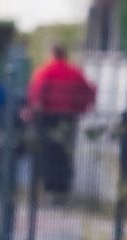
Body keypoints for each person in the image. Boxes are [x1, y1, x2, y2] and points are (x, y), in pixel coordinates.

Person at [24, 44, 95, 195]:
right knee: (65, 151)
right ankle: (63, 187)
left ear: (51, 54)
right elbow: (88, 91)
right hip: (69, 117)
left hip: (47, 117)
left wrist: (35, 110)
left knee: (47, 151)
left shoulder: (44, 71)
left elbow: (35, 93)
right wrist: (81, 109)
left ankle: (49, 187)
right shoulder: (75, 72)